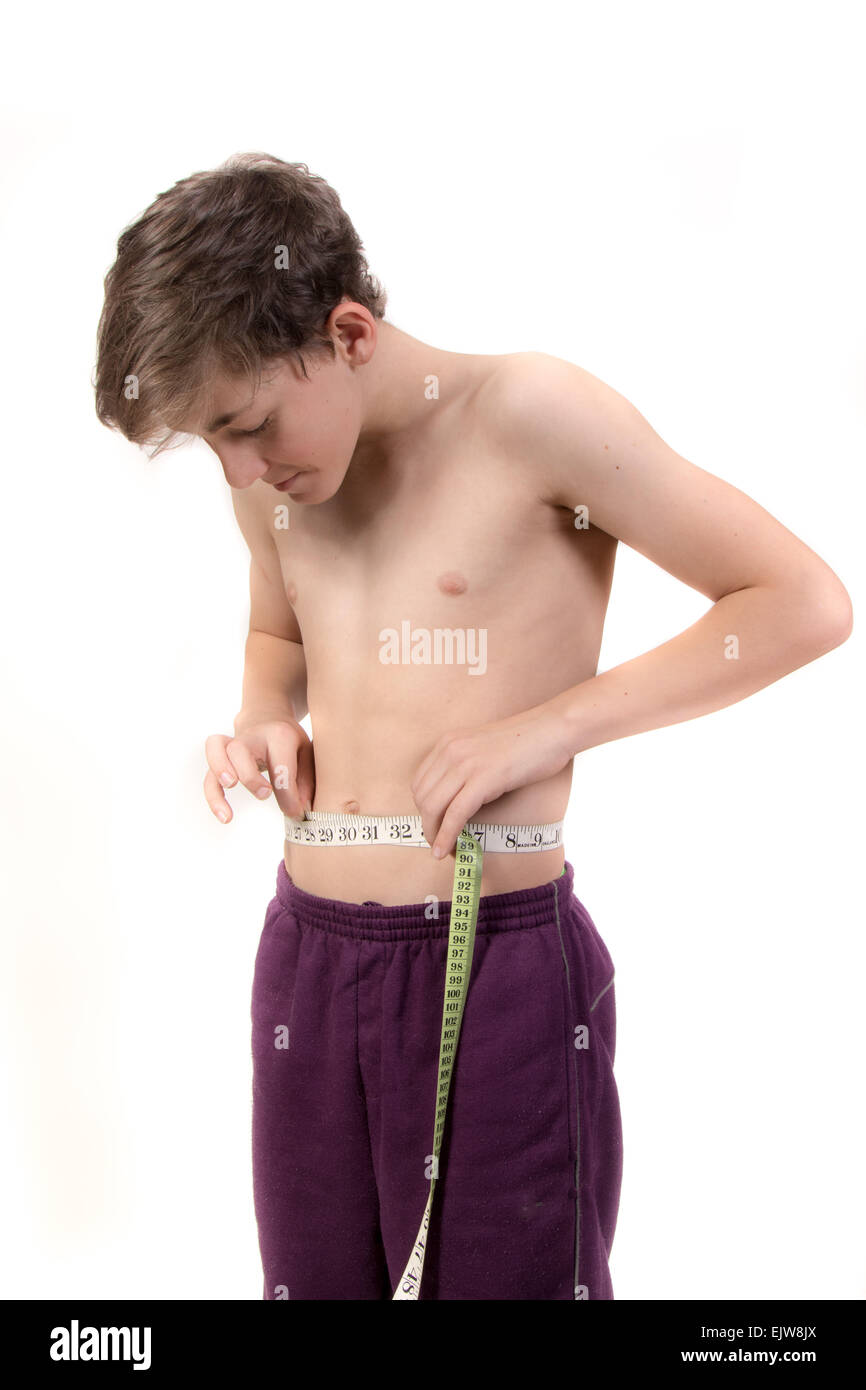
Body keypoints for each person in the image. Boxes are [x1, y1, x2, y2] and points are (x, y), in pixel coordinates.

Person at [93, 152, 853, 1301]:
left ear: (346, 334)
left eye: (245, 424)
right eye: (210, 443)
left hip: (494, 966)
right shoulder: (268, 475)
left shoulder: (531, 416)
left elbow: (797, 603)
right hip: (304, 962)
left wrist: (542, 731)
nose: (239, 468)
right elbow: (277, 635)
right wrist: (260, 718)